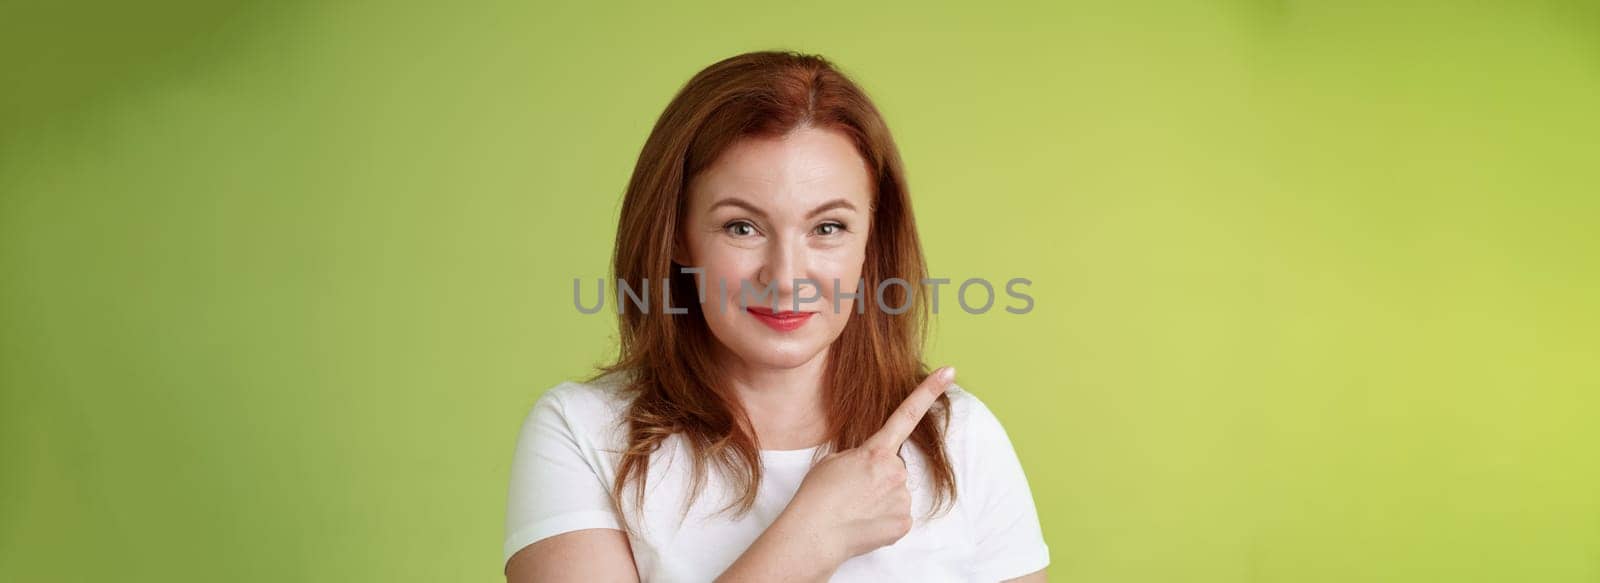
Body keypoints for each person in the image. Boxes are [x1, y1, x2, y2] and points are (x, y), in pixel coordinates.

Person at [504, 50, 1048, 582]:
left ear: (869, 241)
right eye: (742, 227)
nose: (787, 277)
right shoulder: (583, 433)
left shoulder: (959, 437)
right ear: (678, 237)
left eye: (827, 228)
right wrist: (812, 537)